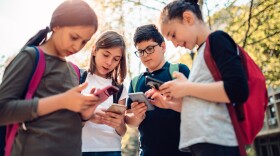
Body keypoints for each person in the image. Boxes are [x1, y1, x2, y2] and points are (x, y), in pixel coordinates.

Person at [148, 0, 249, 155]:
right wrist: (169, 103)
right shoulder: (202, 53)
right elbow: (205, 104)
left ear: (188, 18)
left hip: (218, 142)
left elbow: (237, 89)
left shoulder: (217, 40)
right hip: (205, 144)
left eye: (173, 35)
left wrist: (187, 87)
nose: (174, 44)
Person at [0, 1, 99, 156]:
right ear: (57, 25)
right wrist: (62, 101)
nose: (77, 47)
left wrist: (85, 115)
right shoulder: (31, 57)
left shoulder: (74, 71)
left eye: (84, 42)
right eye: (74, 37)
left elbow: (61, 121)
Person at [125, 24, 191, 156]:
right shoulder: (136, 81)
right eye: (141, 51)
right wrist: (137, 116)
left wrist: (169, 102)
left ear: (163, 47)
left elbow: (195, 106)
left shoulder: (179, 71)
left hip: (182, 152)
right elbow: (129, 119)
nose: (145, 55)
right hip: (148, 152)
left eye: (150, 48)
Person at [82, 30, 127, 156]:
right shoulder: (79, 78)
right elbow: (65, 117)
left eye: (116, 59)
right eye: (106, 55)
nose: (109, 63)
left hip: (111, 150)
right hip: (81, 148)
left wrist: (118, 124)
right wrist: (88, 115)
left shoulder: (120, 88)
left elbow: (122, 131)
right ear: (95, 50)